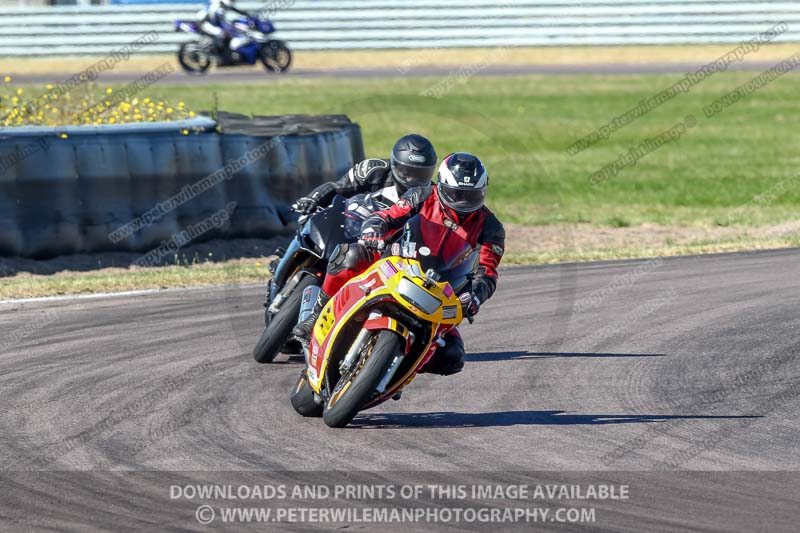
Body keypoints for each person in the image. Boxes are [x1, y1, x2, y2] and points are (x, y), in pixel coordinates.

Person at [292, 152, 505, 376]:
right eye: (457, 193)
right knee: (351, 256)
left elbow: (487, 272)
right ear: (442, 185)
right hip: (397, 265)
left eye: (471, 195)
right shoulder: (422, 194)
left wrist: (475, 296)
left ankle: (391, 375)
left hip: (441, 291)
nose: (463, 202)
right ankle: (315, 317)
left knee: (452, 357)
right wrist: (374, 229)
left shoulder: (491, 227)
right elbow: (389, 215)